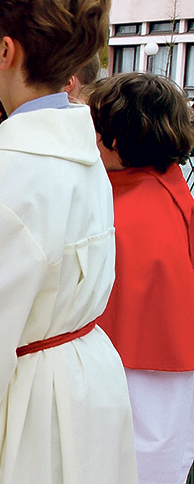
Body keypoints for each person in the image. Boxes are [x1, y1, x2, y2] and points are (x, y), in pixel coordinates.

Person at [0, 0, 137, 482]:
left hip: (34, 406)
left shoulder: (6, 175)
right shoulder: (79, 143)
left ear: (6, 51)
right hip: (90, 378)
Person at [88, 72, 194, 484]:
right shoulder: (167, 188)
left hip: (135, 376)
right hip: (168, 367)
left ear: (119, 136)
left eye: (99, 130)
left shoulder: (122, 215)